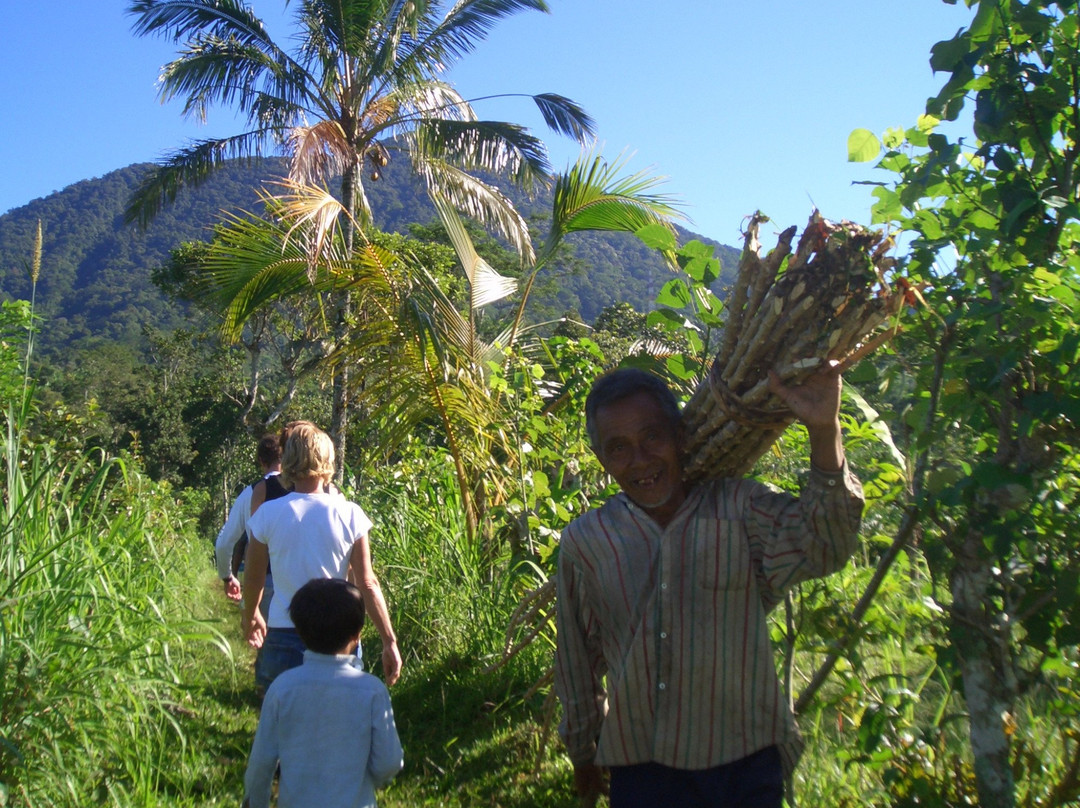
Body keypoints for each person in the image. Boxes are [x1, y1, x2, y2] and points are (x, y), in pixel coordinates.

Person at [553, 365, 865, 808]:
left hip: (745, 760)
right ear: (600, 458)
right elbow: (575, 660)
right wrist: (583, 750)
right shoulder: (587, 542)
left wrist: (823, 430)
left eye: (653, 437)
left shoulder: (740, 508)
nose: (640, 460)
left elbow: (826, 547)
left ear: (679, 436)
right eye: (618, 448)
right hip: (643, 767)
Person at [243, 422, 402, 693]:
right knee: (339, 714)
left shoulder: (267, 514)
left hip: (284, 632)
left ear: (288, 460)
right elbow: (367, 583)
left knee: (284, 713)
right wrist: (389, 641)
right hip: (339, 637)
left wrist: (251, 615)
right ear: (327, 461)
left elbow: (254, 577)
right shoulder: (350, 514)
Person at [243, 577, 404, 808]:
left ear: (299, 631)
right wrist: (370, 781)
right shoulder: (372, 691)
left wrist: (256, 802)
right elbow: (389, 761)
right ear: (357, 634)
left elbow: (262, 760)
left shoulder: (282, 688)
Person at [214, 434, 282, 601]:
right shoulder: (301, 490)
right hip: (299, 579)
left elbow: (223, 543)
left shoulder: (250, 493)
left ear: (261, 461)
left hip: (262, 579)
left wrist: (227, 576)